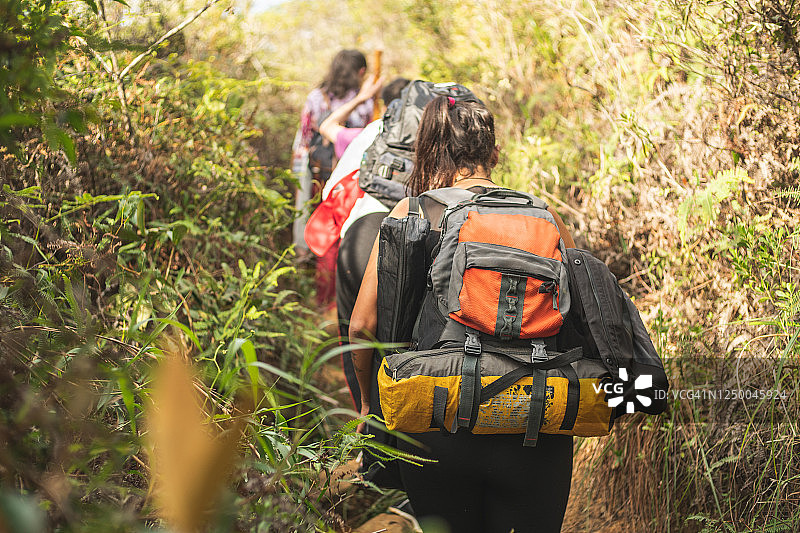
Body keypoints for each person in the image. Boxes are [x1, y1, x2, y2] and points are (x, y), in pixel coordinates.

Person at [348, 95, 577, 532]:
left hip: (439, 419)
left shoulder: (411, 212)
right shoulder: (543, 217)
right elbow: (578, 315)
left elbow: (361, 326)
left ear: (435, 151)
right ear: (494, 154)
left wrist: (367, 403)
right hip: (535, 418)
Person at [290, 49, 374, 306]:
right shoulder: (366, 101)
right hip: (351, 182)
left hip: (319, 178)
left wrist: (299, 183)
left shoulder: (317, 97)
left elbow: (303, 140)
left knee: (324, 235)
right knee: (350, 236)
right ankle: (345, 302)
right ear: (361, 72)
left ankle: (322, 301)